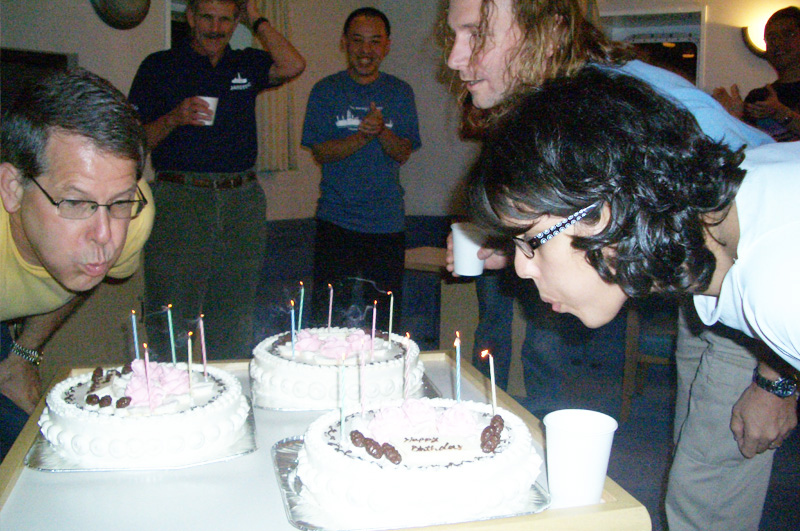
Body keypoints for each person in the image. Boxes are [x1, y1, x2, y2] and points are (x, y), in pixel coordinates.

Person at [443, 1, 779, 529]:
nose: (457, 59)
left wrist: (777, 378)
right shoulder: (562, 120)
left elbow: (757, 221)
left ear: (547, 31)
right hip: (711, 285)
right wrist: (526, 243)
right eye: (453, 36)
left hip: (755, 283)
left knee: (706, 483)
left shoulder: (623, 105)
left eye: (476, 33)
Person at [128, 0, 305, 360]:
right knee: (172, 310)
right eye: (206, 17)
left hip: (242, 200)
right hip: (180, 197)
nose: (215, 27)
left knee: (235, 312)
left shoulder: (245, 63)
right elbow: (132, 142)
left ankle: (228, 395)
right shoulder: (159, 66)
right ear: (190, 17)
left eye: (226, 19)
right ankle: (168, 393)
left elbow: (293, 64)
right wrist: (174, 118)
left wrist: (256, 17)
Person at [0, 67, 154, 460]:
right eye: (74, 203)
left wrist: (25, 352)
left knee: (25, 453)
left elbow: (84, 277)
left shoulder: (131, 218)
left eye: (118, 201)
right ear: (13, 188)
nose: (104, 237)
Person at [302, 7, 421, 331]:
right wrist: (362, 135)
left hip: (387, 226)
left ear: (386, 46)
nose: (365, 50)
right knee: (327, 322)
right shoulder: (325, 91)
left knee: (384, 325)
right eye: (357, 41)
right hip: (335, 223)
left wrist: (381, 131)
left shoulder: (400, 92)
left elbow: (403, 153)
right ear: (344, 43)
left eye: (374, 42)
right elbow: (321, 152)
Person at [714, 7, 800, 142]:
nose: (777, 43)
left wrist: (780, 113)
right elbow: (748, 145)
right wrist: (734, 118)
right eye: (771, 38)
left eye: (788, 34)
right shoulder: (759, 97)